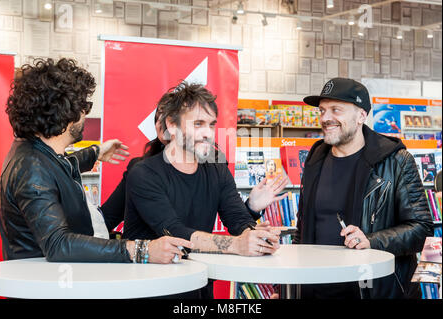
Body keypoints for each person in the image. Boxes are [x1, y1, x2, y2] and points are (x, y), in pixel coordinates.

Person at [0, 58, 191, 264]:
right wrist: (140, 250)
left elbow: (59, 168)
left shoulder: (36, 154)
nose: (85, 115)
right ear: (65, 114)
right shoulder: (32, 168)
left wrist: (95, 153)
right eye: (83, 108)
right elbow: (58, 245)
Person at [293, 78, 434, 299]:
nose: (325, 118)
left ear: (361, 116)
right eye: (321, 111)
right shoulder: (315, 158)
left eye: (335, 110)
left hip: (373, 290)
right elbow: (302, 229)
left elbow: (422, 229)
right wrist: (290, 285)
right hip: (315, 289)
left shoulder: (395, 160)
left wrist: (372, 240)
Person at [100, 103, 289, 232]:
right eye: (160, 120)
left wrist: (252, 210)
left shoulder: (215, 168)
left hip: (200, 278)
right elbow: (106, 220)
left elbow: (234, 219)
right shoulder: (142, 172)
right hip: (153, 278)